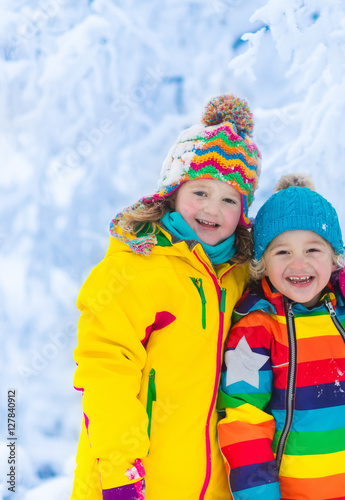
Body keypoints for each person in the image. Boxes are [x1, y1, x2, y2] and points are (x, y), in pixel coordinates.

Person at [70, 94, 261, 500]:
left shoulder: (240, 276)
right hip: (132, 483)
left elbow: (298, 280)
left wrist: (337, 265)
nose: (213, 208)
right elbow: (106, 370)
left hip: (215, 488)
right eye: (201, 192)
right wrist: (121, 470)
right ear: (173, 192)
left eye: (230, 199)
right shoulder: (136, 266)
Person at [217, 174, 345, 500]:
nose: (299, 263)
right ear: (261, 263)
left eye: (313, 249)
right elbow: (243, 422)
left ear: (336, 257)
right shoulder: (256, 331)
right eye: (282, 252)